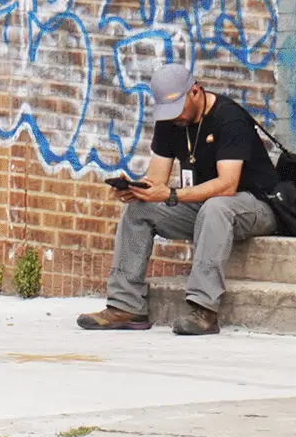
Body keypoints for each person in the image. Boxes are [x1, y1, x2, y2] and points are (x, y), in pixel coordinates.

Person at [78, 61, 280, 336]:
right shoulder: (170, 122)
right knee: (139, 210)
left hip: (255, 206)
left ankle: (204, 311)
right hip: (206, 207)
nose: (175, 117)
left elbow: (227, 185)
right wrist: (138, 190)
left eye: (178, 108)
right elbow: (157, 179)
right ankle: (126, 305)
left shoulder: (228, 117)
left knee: (216, 207)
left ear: (195, 92)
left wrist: (171, 194)